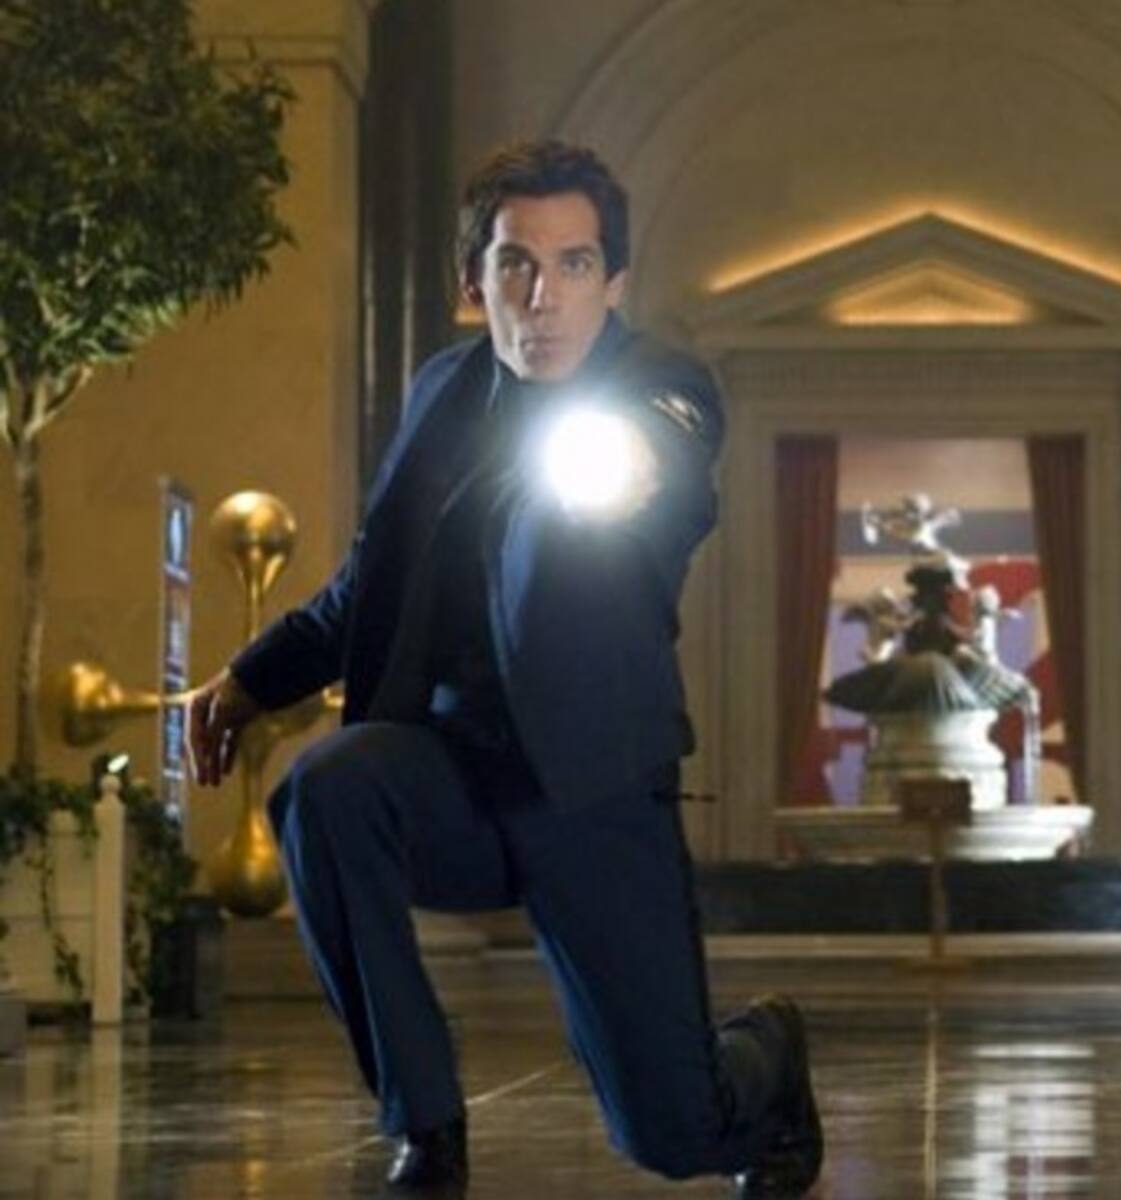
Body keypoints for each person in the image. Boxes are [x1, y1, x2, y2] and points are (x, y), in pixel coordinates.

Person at [187, 140, 823, 1198]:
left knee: (673, 1134)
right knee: (327, 784)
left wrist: (627, 469)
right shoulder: (441, 393)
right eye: (517, 263)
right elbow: (370, 582)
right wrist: (253, 678)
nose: (544, 296)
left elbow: (668, 460)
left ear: (614, 284)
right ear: (472, 282)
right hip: (449, 778)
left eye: (576, 265)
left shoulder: (665, 388)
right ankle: (427, 1133)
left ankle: (767, 1057)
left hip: (591, 792)